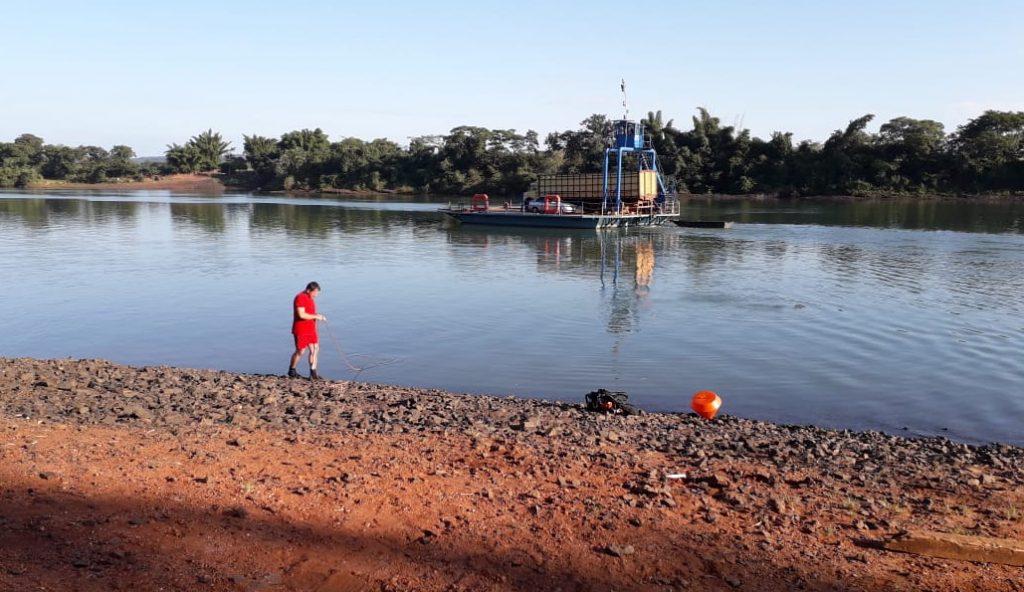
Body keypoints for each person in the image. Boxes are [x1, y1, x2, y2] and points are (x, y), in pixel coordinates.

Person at [288, 281, 327, 380]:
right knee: (301, 351)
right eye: (315, 292)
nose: (316, 295)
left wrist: (318, 316)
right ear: (309, 290)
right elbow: (301, 314)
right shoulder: (300, 297)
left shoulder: (311, 298)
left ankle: (313, 373)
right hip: (301, 329)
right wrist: (316, 316)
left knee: (315, 349)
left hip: (311, 329)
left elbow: (310, 312)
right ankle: (292, 370)